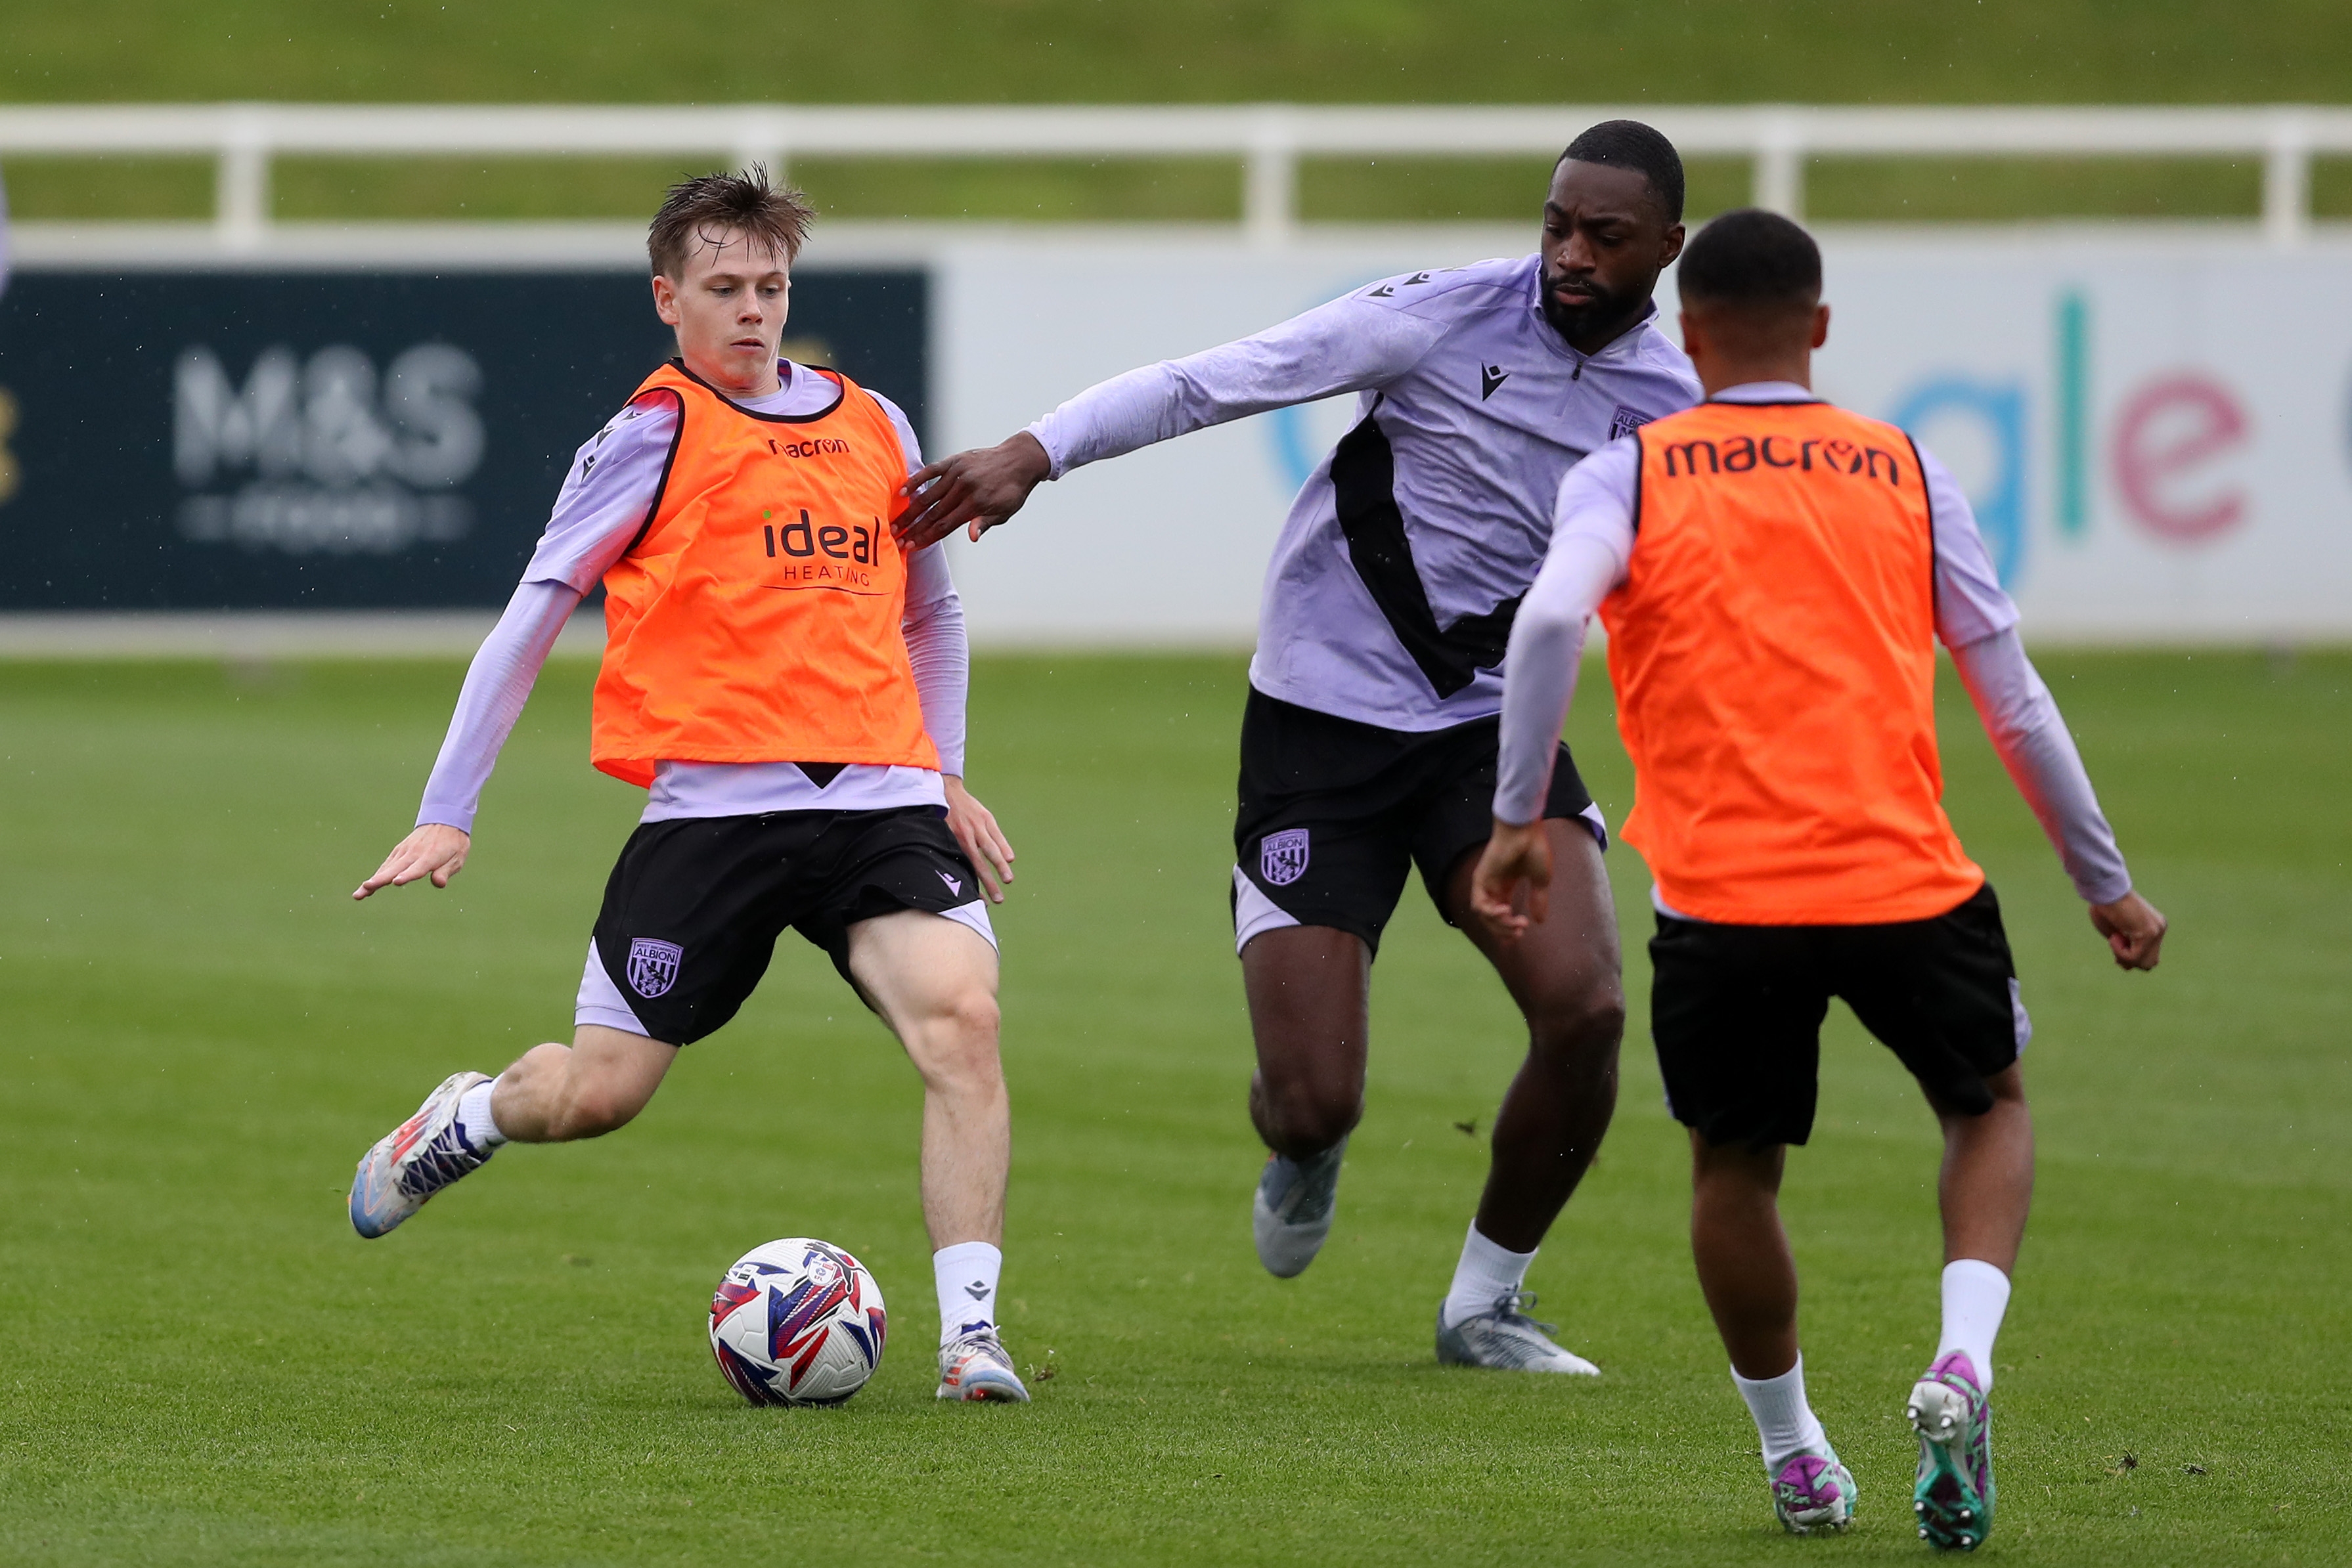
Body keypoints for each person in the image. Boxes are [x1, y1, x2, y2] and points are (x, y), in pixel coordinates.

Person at [897, 123, 1700, 1373]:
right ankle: (1306, 1148)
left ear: (1666, 247)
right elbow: (1213, 379)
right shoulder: (1439, 318)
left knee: (1588, 1011)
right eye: (1555, 224)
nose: (1569, 254)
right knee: (1316, 1095)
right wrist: (1034, 454)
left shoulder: (1675, 406)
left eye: (1603, 236)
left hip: (1492, 735)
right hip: (1317, 735)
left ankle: (1486, 1303)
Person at [1472, 207, 2167, 1544]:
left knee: (1734, 1174)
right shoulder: (1903, 465)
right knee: (1991, 1106)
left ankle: (1795, 1455)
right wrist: (2105, 885)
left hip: (1725, 902)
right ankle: (1961, 1361)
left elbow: (1554, 615)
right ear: (1824, 327)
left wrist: (1517, 816)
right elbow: (2010, 695)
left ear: (1688, 335)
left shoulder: (1636, 469)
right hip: (1907, 884)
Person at [345, 169, 1032, 1405]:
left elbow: (932, 617)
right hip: (714, 815)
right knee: (597, 1097)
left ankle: (971, 1340)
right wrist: (449, 805)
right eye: (724, 289)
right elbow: (533, 614)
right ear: (669, 299)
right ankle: (475, 1116)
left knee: (964, 1025)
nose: (753, 311)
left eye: (770, 287)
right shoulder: (647, 437)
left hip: (876, 802)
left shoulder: (875, 424)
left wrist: (943, 772)